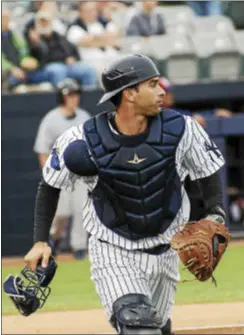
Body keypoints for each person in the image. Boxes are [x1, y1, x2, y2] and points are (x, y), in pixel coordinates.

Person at [24, 54, 226, 334]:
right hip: (114, 250)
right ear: (129, 93)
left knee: (158, 328)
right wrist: (40, 241)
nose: (162, 91)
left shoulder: (182, 128)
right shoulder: (82, 139)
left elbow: (207, 170)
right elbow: (49, 185)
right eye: (153, 84)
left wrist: (216, 213)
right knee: (139, 327)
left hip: (167, 248)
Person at [33, 78, 90, 259]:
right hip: (60, 173)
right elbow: (43, 150)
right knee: (61, 213)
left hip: (81, 173)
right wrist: (48, 176)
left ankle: (79, 248)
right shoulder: (51, 119)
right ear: (61, 97)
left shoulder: (84, 117)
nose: (74, 98)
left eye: (75, 95)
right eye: (70, 95)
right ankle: (54, 239)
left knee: (82, 210)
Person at [27, 10, 98, 89]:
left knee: (88, 70)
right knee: (58, 71)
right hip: (46, 68)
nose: (44, 24)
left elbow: (74, 50)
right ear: (37, 24)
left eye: (46, 21)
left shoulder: (59, 37)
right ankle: (62, 100)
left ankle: (88, 99)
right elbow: (35, 56)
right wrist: (35, 43)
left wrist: (73, 58)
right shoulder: (33, 39)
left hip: (67, 65)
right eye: (42, 22)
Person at [67, 1, 120, 81]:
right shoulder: (74, 27)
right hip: (91, 63)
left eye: (93, 10)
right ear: (80, 13)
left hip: (112, 59)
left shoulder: (104, 22)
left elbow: (115, 37)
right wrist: (105, 39)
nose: (91, 13)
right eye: (87, 11)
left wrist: (94, 39)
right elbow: (85, 42)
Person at [1, 8, 49, 91]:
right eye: (3, 18)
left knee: (48, 75)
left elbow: (24, 52)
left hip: (23, 70)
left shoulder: (14, 35)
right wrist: (12, 69)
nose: (5, 21)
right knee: (10, 80)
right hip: (8, 73)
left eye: (7, 18)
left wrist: (29, 62)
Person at [159, 76, 233, 127]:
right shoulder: (157, 113)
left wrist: (214, 112)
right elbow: (182, 117)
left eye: (170, 93)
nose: (171, 96)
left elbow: (189, 115)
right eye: (167, 93)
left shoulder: (170, 111)